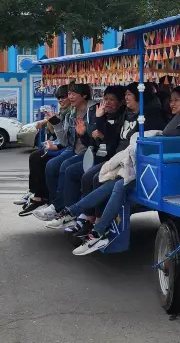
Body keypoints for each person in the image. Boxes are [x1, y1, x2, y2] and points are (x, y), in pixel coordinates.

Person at [45, 83, 166, 232]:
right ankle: (78, 215)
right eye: (105, 99)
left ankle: (93, 220)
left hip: (126, 162)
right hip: (111, 157)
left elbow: (112, 142)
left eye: (128, 95)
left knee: (94, 177)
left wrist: (100, 127)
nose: (106, 102)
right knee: (74, 170)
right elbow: (98, 142)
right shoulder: (121, 115)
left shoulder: (145, 118)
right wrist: (88, 131)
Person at [33, 83, 97, 221]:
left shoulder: (93, 111)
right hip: (73, 149)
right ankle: (52, 203)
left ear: (84, 95)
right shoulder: (71, 114)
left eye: (73, 94)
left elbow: (94, 139)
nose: (69, 97)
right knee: (49, 164)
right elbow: (64, 141)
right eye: (69, 94)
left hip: (89, 151)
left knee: (66, 167)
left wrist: (84, 132)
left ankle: (61, 207)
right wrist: (55, 123)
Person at [16, 85, 72, 215]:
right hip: (63, 144)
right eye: (59, 97)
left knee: (45, 160)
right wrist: (47, 122)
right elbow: (58, 130)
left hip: (69, 147)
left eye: (64, 97)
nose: (61, 100)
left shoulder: (72, 112)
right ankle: (35, 193)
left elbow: (66, 136)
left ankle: (46, 198)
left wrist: (57, 144)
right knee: (36, 156)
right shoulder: (64, 111)